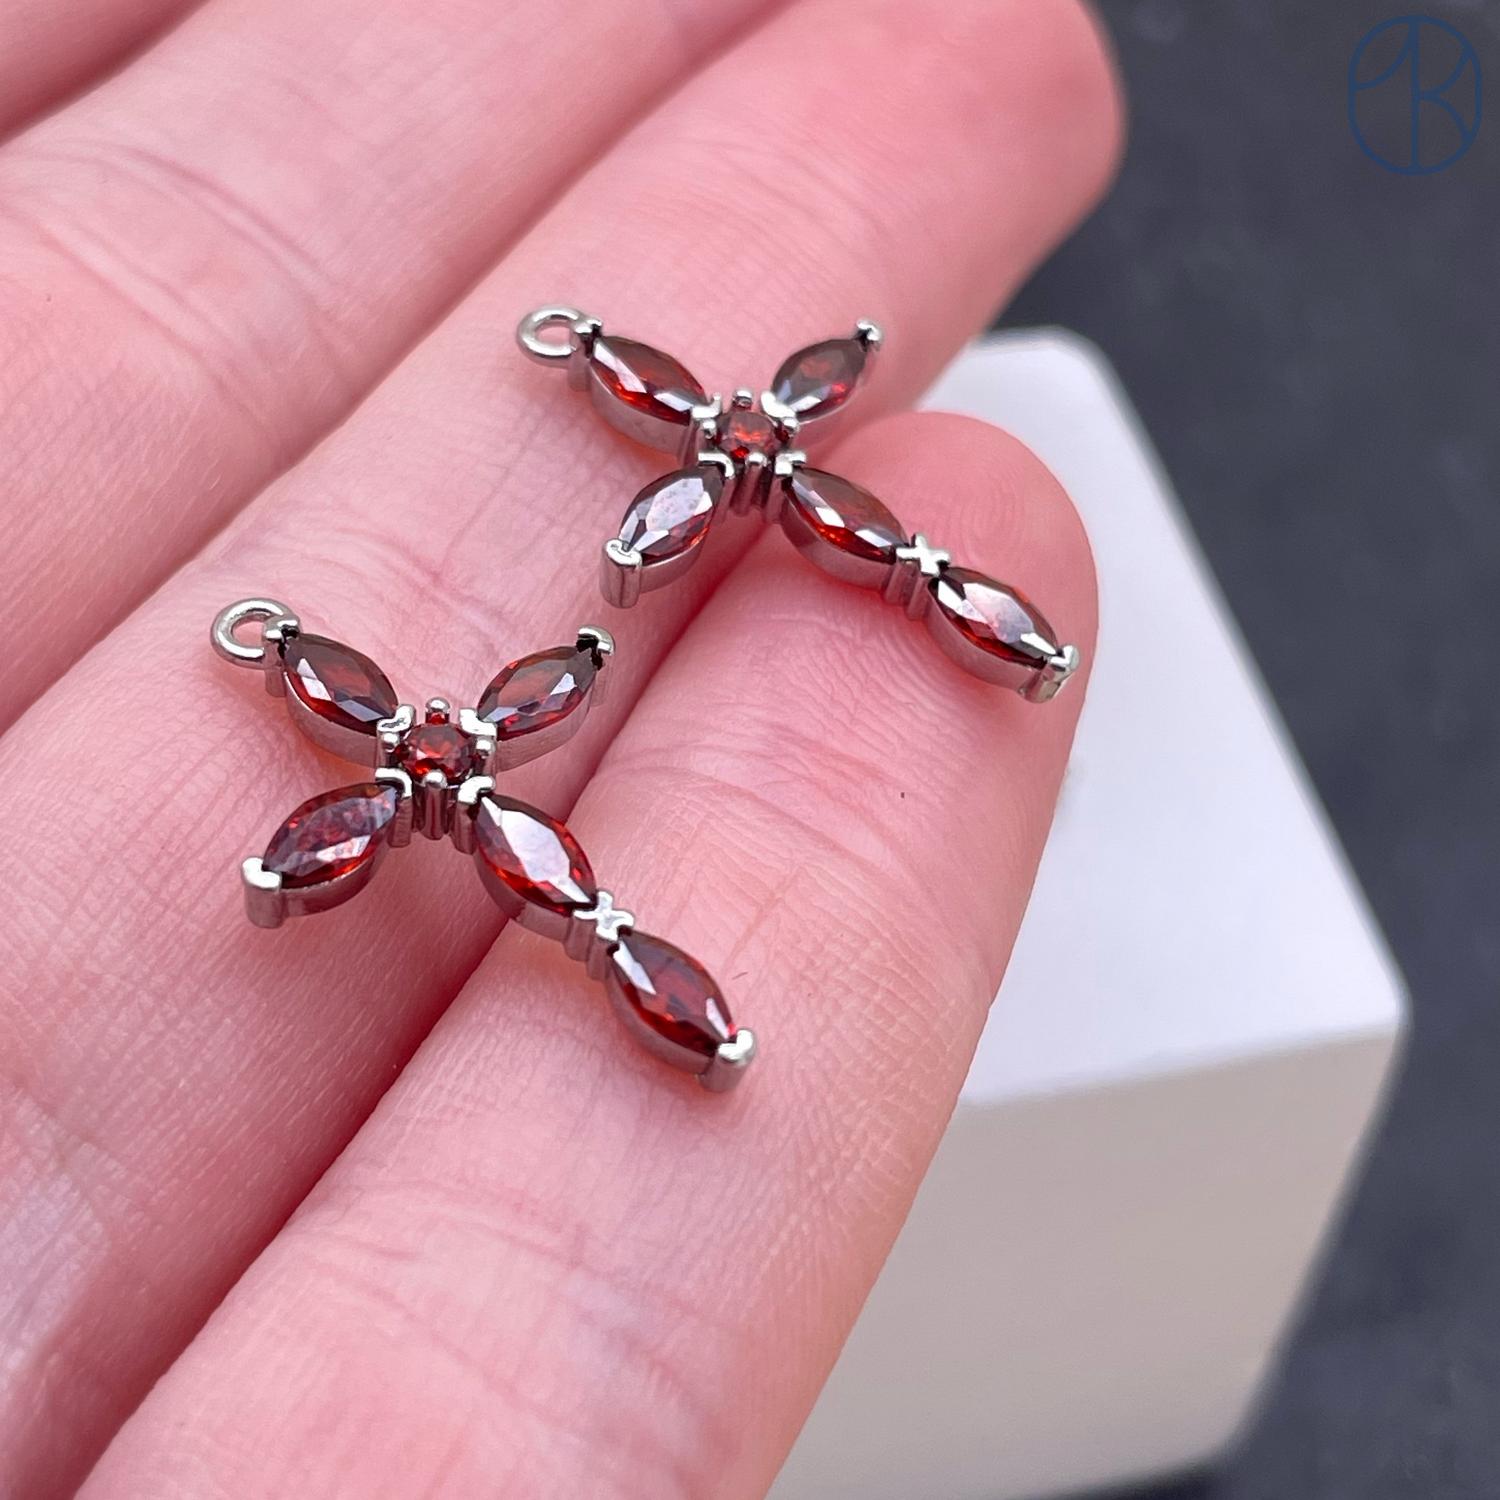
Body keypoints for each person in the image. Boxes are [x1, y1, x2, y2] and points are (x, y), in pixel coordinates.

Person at [0, 0, 1123, 1493]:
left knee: (641, 882)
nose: (747, 451)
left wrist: (594, 383)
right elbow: (585, 637)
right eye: (735, 445)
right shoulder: (497, 709)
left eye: (759, 442)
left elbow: (597, 619)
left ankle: (970, 686)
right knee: (607, 916)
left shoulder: (549, 643)